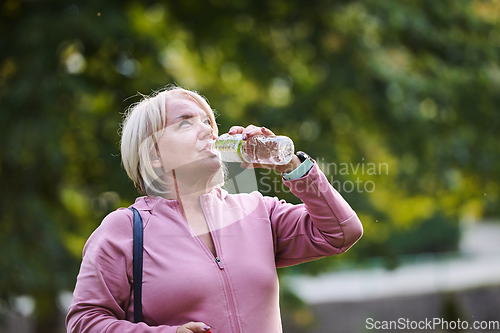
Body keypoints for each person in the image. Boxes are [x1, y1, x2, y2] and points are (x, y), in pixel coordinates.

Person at [65, 86, 363, 333]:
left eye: (208, 122)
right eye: (185, 122)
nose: (207, 131)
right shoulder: (125, 230)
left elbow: (341, 232)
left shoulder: (257, 211)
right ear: (154, 155)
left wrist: (291, 165)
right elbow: (84, 323)